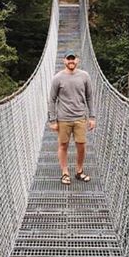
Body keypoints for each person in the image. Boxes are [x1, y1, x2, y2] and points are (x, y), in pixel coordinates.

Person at [47, 51, 96, 185]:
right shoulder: (58, 78)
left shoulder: (85, 76)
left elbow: (89, 97)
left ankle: (79, 171)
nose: (71, 61)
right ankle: (65, 173)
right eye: (68, 59)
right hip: (63, 118)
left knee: (81, 145)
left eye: (73, 59)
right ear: (64, 61)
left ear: (77, 60)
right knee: (63, 145)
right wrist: (52, 120)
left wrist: (92, 117)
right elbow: (52, 99)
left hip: (80, 117)